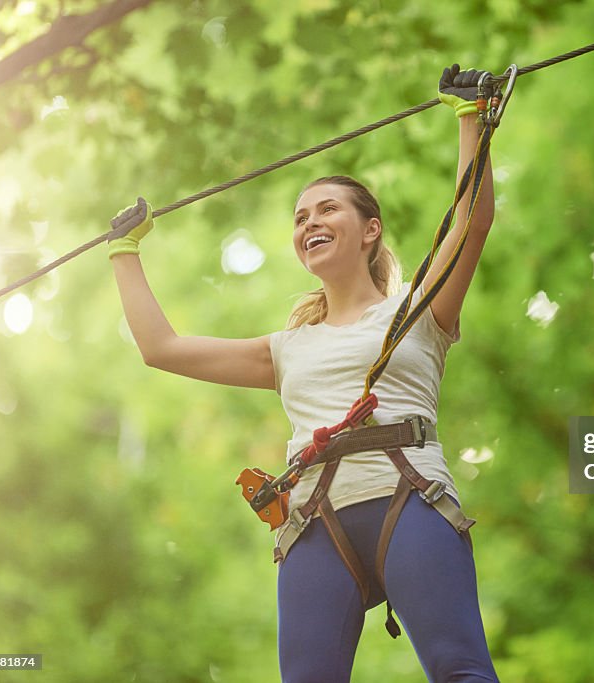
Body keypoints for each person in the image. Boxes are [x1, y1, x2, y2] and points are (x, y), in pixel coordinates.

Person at [109, 65, 500, 682]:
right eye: (299, 218)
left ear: (370, 230)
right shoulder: (286, 348)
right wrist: (125, 253)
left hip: (411, 498)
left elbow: (470, 222)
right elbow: (162, 347)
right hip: (317, 523)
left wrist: (471, 116)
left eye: (326, 210)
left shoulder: (420, 311)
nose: (309, 223)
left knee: (461, 671)